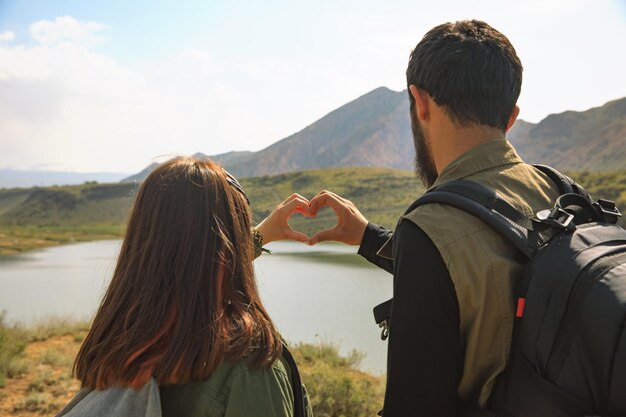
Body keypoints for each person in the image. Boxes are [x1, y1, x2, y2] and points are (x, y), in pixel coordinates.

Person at [307, 20, 561, 416]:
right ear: (511, 117)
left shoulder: (431, 228)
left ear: (420, 102)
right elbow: (484, 272)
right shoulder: (565, 194)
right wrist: (368, 238)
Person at [71, 156, 313, 417]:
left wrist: (254, 237)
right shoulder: (250, 366)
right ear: (226, 246)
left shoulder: (122, 341)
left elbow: (185, 269)